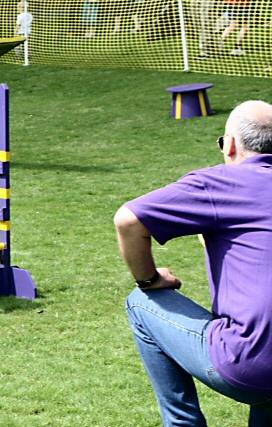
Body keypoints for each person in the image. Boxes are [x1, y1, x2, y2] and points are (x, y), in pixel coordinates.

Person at [114, 100, 272, 426]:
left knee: (141, 303)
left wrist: (149, 280)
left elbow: (128, 221)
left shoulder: (221, 183)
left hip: (251, 365)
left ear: (229, 145)